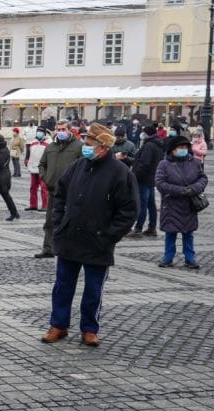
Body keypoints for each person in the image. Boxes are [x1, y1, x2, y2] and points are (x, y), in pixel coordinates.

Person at [41, 123, 138, 347]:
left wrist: (109, 236)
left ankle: (90, 329)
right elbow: (60, 196)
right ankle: (58, 325)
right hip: (70, 238)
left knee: (93, 289)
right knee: (63, 285)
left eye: (88, 144)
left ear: (103, 146)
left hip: (98, 242)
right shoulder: (77, 166)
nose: (84, 147)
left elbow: (129, 211)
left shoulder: (120, 172)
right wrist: (60, 223)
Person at [155, 136, 208, 269]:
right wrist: (180, 190)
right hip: (171, 204)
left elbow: (202, 178)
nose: (183, 150)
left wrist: (192, 189)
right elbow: (160, 183)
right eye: (180, 148)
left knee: (188, 233)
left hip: (189, 204)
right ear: (172, 150)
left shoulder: (195, 162)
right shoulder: (164, 164)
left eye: (185, 147)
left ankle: (190, 258)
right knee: (170, 232)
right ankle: (168, 257)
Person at [35, 120, 82, 258]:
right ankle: (48, 248)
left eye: (63, 129)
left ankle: (70, 249)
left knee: (70, 221)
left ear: (69, 130)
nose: (60, 132)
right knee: (50, 220)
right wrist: (45, 177)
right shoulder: (50, 147)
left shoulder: (78, 146)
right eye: (58, 129)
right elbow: (42, 164)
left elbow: (84, 166)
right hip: (53, 189)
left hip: (71, 191)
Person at [127, 125, 164, 238]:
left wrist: (135, 175)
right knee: (151, 204)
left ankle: (138, 228)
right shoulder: (158, 144)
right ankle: (152, 228)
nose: (142, 135)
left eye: (143, 133)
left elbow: (144, 163)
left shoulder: (149, 145)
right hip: (151, 178)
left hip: (143, 179)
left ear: (147, 133)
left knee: (142, 204)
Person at [0, 134, 19, 221]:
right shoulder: (0, 149)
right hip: (1, 176)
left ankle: (13, 213)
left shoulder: (3, 151)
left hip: (2, 178)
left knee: (5, 196)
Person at [24, 126, 50, 211]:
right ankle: (33, 205)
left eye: (41, 131)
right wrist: (27, 160)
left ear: (44, 133)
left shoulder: (49, 143)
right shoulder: (33, 142)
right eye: (38, 131)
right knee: (33, 188)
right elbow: (28, 152)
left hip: (43, 169)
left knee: (44, 188)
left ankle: (45, 205)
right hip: (33, 168)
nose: (39, 133)